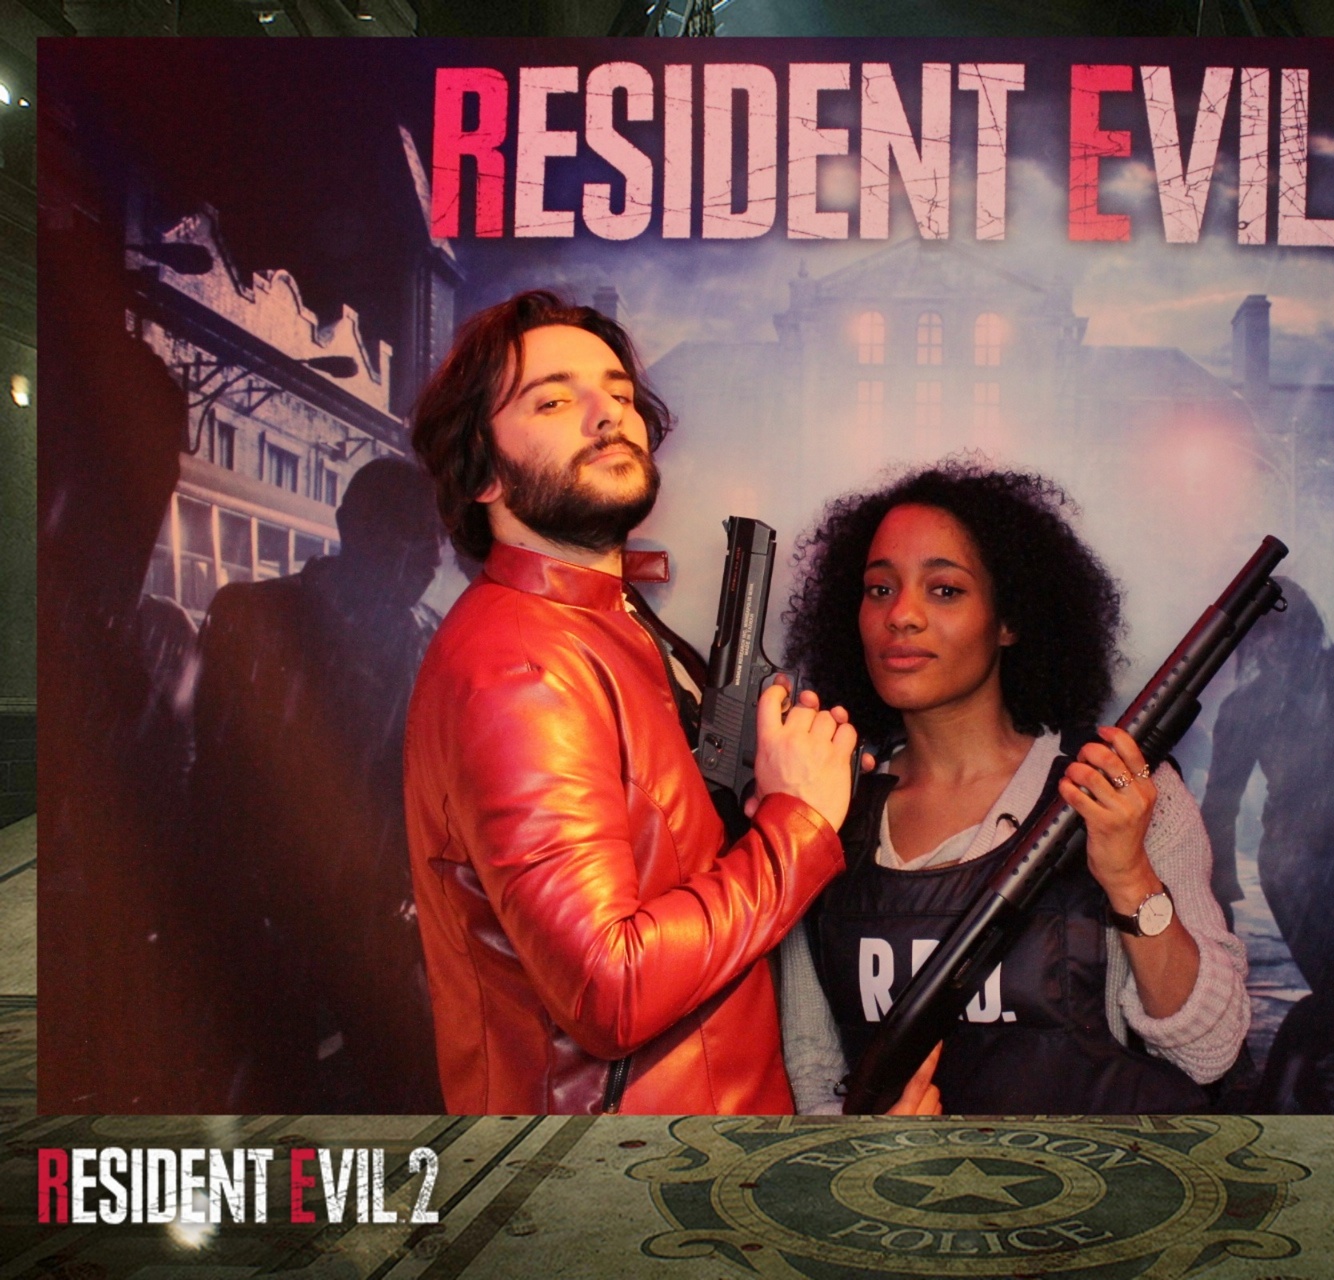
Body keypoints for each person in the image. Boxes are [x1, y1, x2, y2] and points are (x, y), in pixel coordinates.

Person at [405, 290, 858, 1114]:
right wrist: (799, 826)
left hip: (689, 1158)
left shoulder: (610, 621)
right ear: (483, 471)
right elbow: (607, 990)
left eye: (618, 393)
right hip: (618, 1173)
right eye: (552, 401)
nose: (606, 414)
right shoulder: (521, 662)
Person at [778, 461, 1250, 1114]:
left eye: (945, 590)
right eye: (879, 589)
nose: (902, 616)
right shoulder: (825, 811)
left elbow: (1211, 1051)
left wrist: (1129, 876)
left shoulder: (1123, 793)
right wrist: (865, 1144)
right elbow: (813, 1074)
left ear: (1009, 620)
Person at [190, 457, 446, 1111]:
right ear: (351, 527)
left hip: (370, 918)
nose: (428, 555)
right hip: (276, 917)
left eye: (434, 536)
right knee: (282, 1087)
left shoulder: (428, 638)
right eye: (409, 532)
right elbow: (219, 780)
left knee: (402, 1085)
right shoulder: (255, 617)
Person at [1199, 583, 1334, 1112]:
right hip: (1298, 865)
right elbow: (1220, 802)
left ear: (1311, 625)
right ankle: (1277, 1095)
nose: (1280, 643)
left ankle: (1302, 1084)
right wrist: (1218, 890)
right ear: (1254, 643)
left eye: (1288, 628)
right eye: (1266, 634)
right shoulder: (1246, 707)